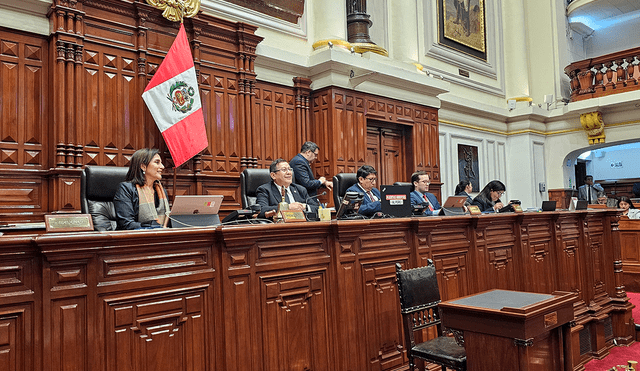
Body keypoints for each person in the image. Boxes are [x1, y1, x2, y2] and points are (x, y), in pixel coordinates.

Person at [113, 148, 170, 230]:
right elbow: (126, 224)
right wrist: (154, 228)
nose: (162, 167)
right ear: (143, 166)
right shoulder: (126, 189)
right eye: (157, 162)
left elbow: (168, 223)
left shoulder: (161, 191)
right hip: (132, 240)